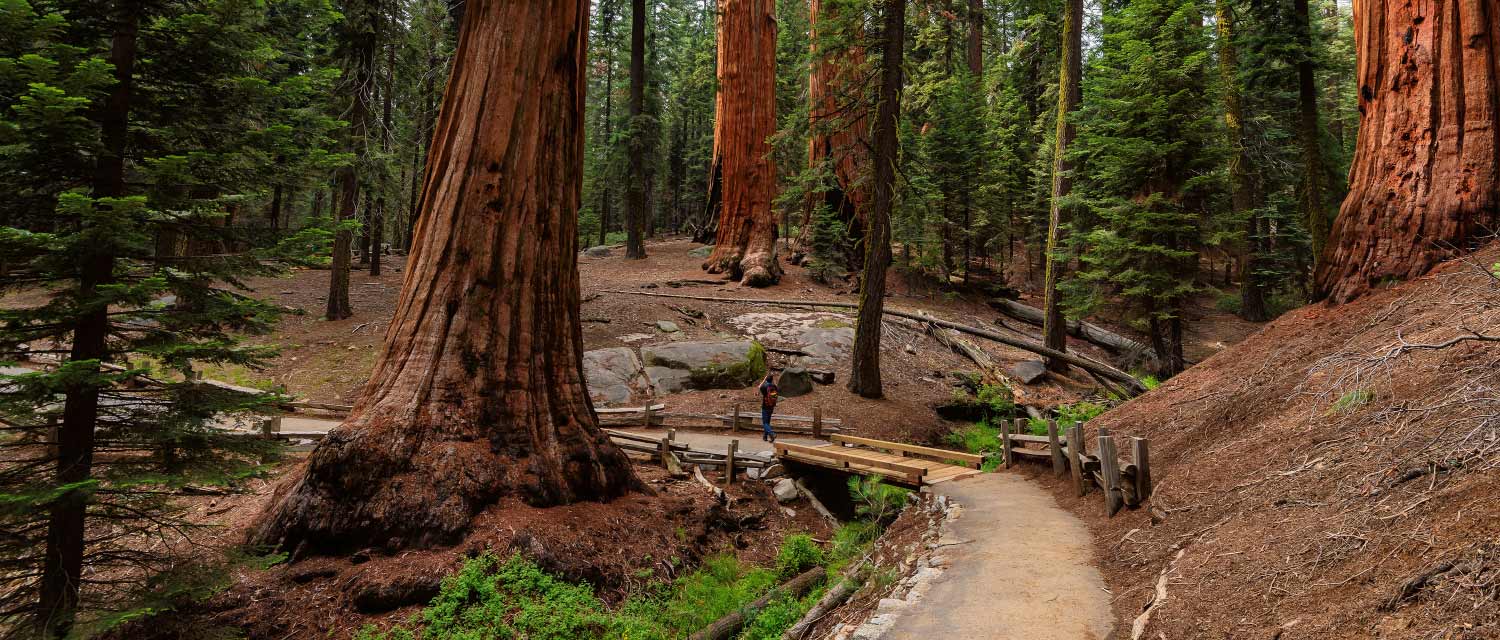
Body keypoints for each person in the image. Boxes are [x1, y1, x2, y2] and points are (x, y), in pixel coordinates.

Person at [758, 373, 778, 442]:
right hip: (771, 406)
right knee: (767, 422)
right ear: (772, 380)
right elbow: (777, 387)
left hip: (765, 406)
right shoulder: (774, 386)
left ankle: (772, 433)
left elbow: (759, 387)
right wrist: (773, 381)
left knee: (765, 423)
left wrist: (764, 379)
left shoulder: (764, 387)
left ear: (766, 379)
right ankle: (765, 437)